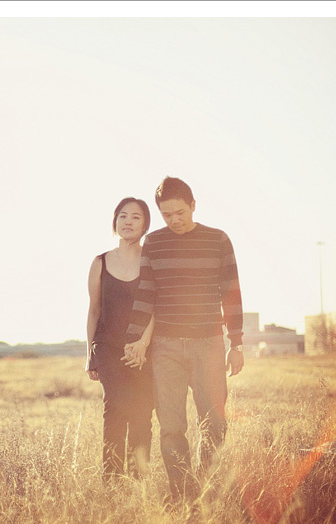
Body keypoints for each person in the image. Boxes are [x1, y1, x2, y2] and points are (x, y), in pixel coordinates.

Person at [122, 176, 245, 503]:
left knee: (215, 422)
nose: (174, 220)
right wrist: (136, 340)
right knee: (172, 427)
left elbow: (231, 293)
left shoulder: (218, 240)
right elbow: (146, 294)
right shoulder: (155, 243)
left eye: (179, 212)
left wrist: (237, 342)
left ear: (193, 205)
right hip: (167, 348)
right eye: (166, 215)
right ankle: (182, 494)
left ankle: (208, 485)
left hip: (209, 344)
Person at [85, 197, 156, 481]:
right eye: (123, 216)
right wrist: (89, 353)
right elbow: (93, 310)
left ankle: (139, 481)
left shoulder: (152, 262)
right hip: (108, 348)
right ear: (115, 222)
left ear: (145, 225)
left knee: (142, 416)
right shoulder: (100, 262)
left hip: (144, 350)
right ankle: (112, 483)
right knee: (114, 411)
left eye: (136, 217)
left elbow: (155, 309)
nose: (128, 221)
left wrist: (144, 344)